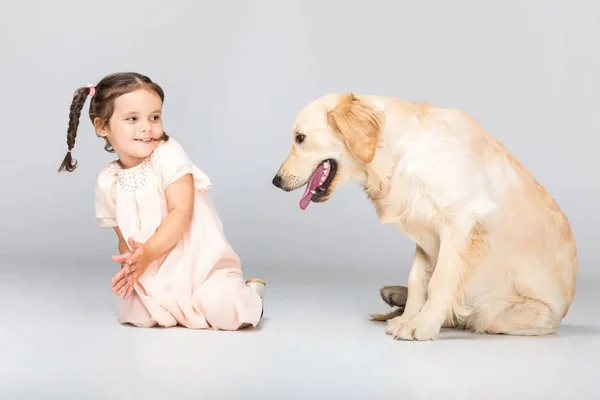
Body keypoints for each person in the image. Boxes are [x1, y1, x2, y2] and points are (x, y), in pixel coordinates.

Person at [58, 72, 266, 330]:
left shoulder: (168, 154)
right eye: (132, 119)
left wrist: (148, 253)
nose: (146, 127)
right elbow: (123, 238)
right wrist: (133, 265)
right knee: (134, 314)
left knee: (226, 312)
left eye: (154, 117)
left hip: (201, 266)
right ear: (102, 126)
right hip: (153, 268)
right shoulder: (108, 180)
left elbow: (181, 213)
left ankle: (252, 295)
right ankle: (174, 302)